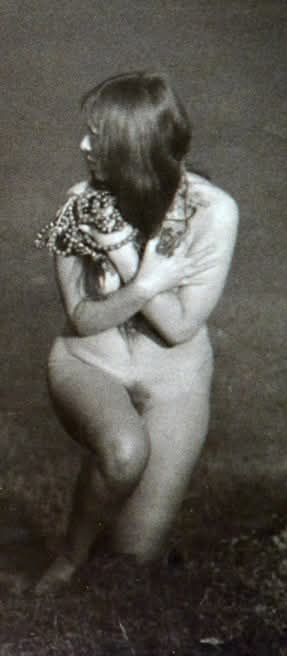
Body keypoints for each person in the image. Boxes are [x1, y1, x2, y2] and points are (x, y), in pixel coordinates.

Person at [31, 71, 238, 594]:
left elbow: (180, 326)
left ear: (136, 145)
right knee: (124, 453)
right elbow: (83, 317)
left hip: (176, 383)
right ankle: (69, 557)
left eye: (97, 135)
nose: (83, 146)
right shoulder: (79, 204)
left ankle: (119, 530)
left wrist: (123, 257)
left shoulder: (212, 211)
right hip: (90, 363)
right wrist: (146, 281)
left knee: (131, 560)